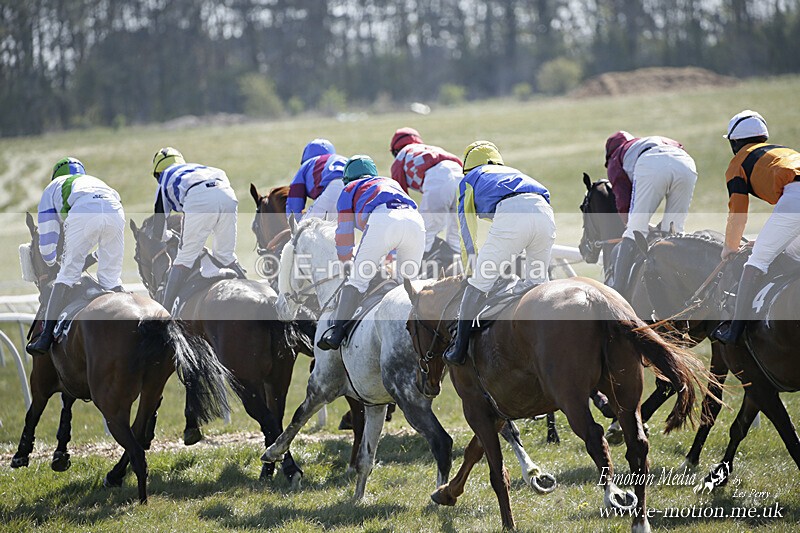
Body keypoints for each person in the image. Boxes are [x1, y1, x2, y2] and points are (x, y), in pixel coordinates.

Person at [445, 141, 555, 366]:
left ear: (467, 167)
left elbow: (467, 232)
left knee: (477, 284)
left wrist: (471, 271)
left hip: (514, 214)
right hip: (545, 211)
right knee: (537, 285)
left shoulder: (468, 180)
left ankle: (458, 350)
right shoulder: (511, 172)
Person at [317, 155, 425, 351]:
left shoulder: (349, 189)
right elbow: (393, 236)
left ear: (348, 178)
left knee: (357, 281)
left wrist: (346, 262)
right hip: (416, 221)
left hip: (384, 221)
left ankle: (336, 332)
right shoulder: (389, 182)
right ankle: (421, 333)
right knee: (407, 285)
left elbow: (344, 235)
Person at [711, 110, 800, 344]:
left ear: (734, 142)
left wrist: (730, 247)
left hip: (795, 199)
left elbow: (738, 212)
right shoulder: (782, 151)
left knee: (755, 263)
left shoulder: (737, 163)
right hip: (793, 198)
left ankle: (734, 331)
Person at [26, 157, 125, 356]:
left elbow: (47, 242)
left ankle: (45, 337)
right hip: (116, 210)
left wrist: (52, 261)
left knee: (66, 275)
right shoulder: (93, 181)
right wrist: (93, 256)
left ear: (56, 176)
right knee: (111, 279)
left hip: (85, 211)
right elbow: (103, 223)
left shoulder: (52, 188)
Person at [152, 147, 245, 313]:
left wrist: (168, 236)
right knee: (225, 255)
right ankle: (250, 286)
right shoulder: (197, 168)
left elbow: (158, 227)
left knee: (185, 258)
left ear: (157, 173)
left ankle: (165, 315)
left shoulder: (164, 179)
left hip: (198, 197)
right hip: (227, 194)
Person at [605, 130, 698, 296]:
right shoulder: (640, 144)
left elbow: (624, 206)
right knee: (674, 230)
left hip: (652, 161)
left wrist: (642, 227)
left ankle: (617, 290)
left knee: (634, 230)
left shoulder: (615, 158)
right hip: (686, 162)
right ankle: (685, 283)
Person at [389, 127, 463, 261]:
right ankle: (463, 271)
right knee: (457, 237)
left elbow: (400, 198)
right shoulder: (431, 149)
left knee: (424, 233)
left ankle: (419, 271)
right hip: (461, 177)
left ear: (395, 150)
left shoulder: (400, 158)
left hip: (438, 180)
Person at [286, 138, 348, 221]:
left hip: (334, 189)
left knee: (304, 229)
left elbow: (294, 203)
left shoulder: (306, 165)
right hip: (355, 191)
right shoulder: (342, 159)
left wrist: (294, 223)